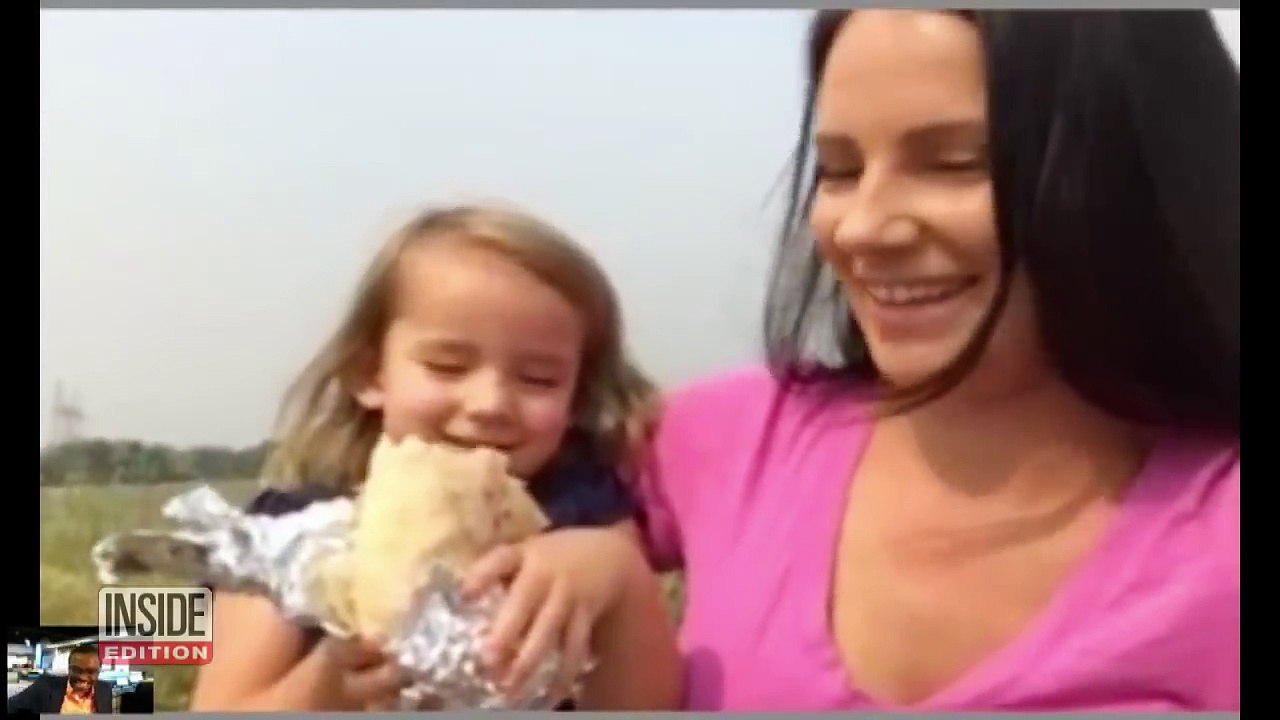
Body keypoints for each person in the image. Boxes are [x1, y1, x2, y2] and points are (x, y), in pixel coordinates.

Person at [468, 9, 1240, 712]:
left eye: (954, 163)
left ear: (1135, 169)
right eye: (840, 170)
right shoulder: (726, 438)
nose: (864, 226)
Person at [188, 204, 681, 711]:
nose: (491, 404)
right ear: (369, 372)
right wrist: (325, 688)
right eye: (448, 366)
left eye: (539, 379)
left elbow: (649, 704)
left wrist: (617, 572)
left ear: (576, 396)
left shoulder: (586, 508)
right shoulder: (289, 533)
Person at [7, 644, 114, 714]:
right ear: (68, 668)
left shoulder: (105, 689)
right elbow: (11, 706)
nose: (82, 677)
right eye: (76, 670)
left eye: (90, 671)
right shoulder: (45, 686)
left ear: (99, 672)